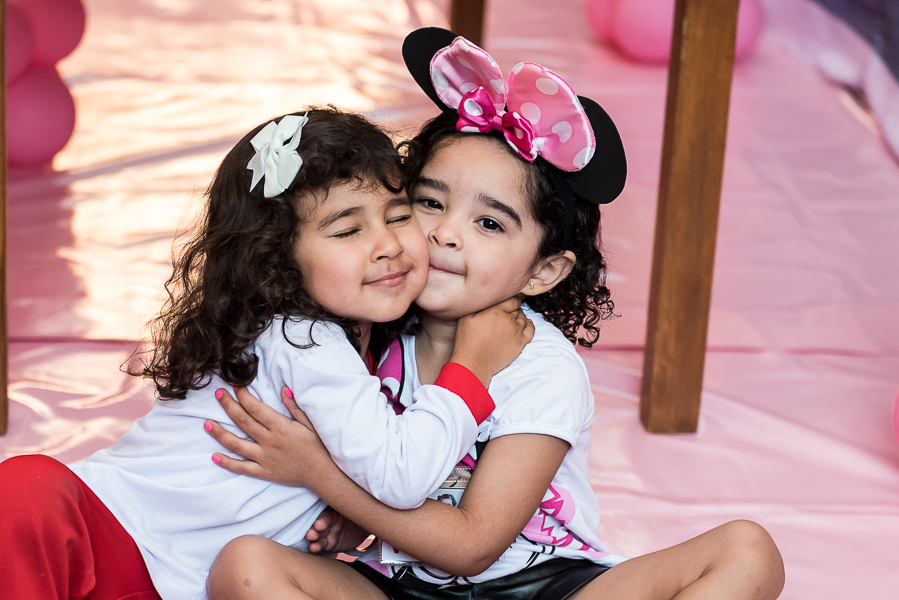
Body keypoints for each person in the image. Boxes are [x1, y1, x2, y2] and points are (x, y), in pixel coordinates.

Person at [203, 29, 785, 600]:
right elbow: (381, 475)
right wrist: (350, 526)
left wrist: (317, 474)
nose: (446, 233)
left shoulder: (543, 369)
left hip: (546, 585)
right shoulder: (369, 334)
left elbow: (473, 546)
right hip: (405, 583)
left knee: (746, 550)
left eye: (488, 223)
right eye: (429, 202)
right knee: (244, 565)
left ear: (543, 271)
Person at [0, 107, 533, 600]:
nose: (388, 244)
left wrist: (349, 520)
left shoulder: (370, 341)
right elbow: (401, 476)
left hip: (175, 578)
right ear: (278, 260)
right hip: (113, 540)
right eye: (348, 230)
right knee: (28, 489)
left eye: (398, 217)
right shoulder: (305, 338)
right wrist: (471, 369)